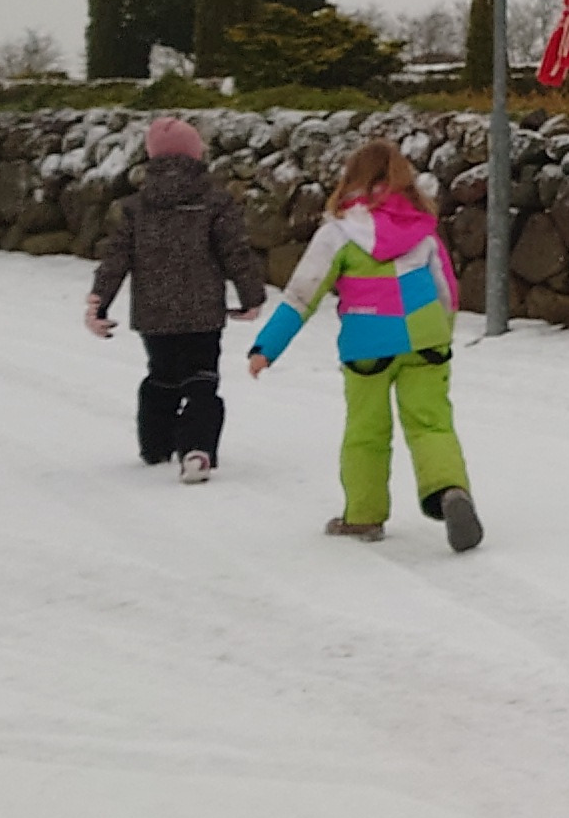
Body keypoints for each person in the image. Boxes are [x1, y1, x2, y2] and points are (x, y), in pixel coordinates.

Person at [250, 137, 483, 552]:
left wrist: (266, 348)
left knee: (366, 432)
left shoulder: (338, 233)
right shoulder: (422, 230)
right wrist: (440, 335)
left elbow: (302, 295)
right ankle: (449, 491)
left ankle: (363, 516)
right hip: (425, 339)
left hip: (367, 342)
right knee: (432, 425)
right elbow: (447, 290)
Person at [85, 115, 265, 481]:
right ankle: (197, 450)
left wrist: (98, 300)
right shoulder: (215, 203)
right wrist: (251, 295)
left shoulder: (136, 207)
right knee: (202, 379)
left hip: (154, 313)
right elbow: (235, 252)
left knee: (161, 376)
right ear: (197, 155)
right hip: (202, 312)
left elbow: (117, 255)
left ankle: (155, 445)